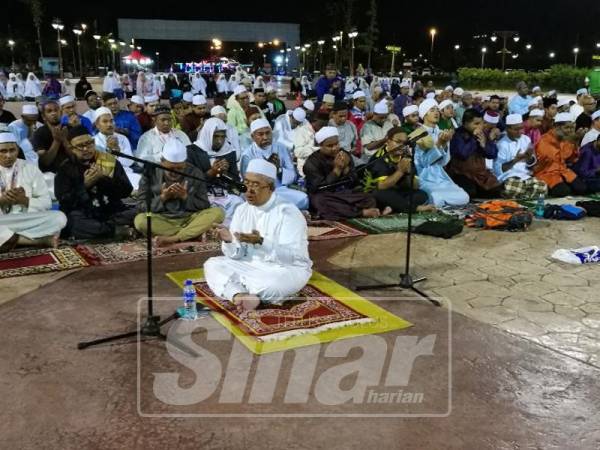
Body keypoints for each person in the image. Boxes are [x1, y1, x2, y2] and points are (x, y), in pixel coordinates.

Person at [204, 159, 312, 311]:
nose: (248, 190)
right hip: (250, 266)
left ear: (270, 187)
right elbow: (236, 255)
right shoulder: (242, 209)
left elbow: (293, 258)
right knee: (212, 265)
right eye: (246, 183)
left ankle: (237, 289)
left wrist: (262, 242)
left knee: (273, 283)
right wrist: (229, 241)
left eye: (255, 184)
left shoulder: (288, 213)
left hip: (283, 269)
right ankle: (240, 296)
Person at [134, 138, 224, 247]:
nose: (175, 173)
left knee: (218, 212)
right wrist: (163, 198)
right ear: (162, 162)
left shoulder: (195, 173)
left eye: (180, 168)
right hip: (163, 220)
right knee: (140, 221)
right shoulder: (150, 174)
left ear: (185, 164)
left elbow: (204, 205)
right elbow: (141, 206)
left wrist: (185, 197)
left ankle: (174, 238)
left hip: (190, 218)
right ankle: (193, 233)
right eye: (171, 168)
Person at [54, 125, 135, 239]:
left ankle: (106, 230)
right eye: (80, 146)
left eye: (89, 143)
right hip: (84, 214)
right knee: (73, 222)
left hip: (111, 211)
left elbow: (126, 191)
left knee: (143, 210)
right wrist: (85, 185)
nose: (86, 149)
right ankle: (114, 230)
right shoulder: (65, 168)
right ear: (72, 149)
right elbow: (65, 202)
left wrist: (103, 179)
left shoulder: (107, 160)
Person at [0, 132, 67, 253]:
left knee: (59, 218)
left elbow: (46, 203)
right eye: (3, 151)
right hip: (2, 220)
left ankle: (9, 240)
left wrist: (24, 200)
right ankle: (36, 241)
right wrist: (2, 200)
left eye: (12, 150)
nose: (8, 155)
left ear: (17, 150)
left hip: (26, 219)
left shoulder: (30, 168)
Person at [303, 126, 379, 220]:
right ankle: (360, 212)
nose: (335, 148)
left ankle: (346, 211)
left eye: (337, 144)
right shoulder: (312, 162)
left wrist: (346, 169)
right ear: (321, 146)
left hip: (345, 194)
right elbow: (319, 188)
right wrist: (337, 170)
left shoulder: (344, 154)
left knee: (369, 198)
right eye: (330, 146)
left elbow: (354, 182)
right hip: (326, 195)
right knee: (319, 201)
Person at [241, 118, 308, 210]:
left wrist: (279, 170)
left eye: (268, 133)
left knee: (303, 198)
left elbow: (293, 175)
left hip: (280, 189)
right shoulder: (247, 154)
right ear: (253, 137)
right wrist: (267, 170)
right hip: (259, 191)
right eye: (260, 134)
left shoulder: (281, 147)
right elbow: (247, 183)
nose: (265, 137)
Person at [187, 117, 244, 223]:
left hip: (224, 194)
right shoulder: (192, 151)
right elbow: (190, 183)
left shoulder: (228, 151)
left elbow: (235, 181)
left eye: (223, 137)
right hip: (202, 196)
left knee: (240, 203)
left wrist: (224, 174)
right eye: (216, 136)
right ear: (207, 134)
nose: (220, 141)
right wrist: (211, 173)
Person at [413, 99, 469, 207]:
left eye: (437, 110)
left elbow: (444, 162)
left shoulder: (441, 133)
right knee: (437, 199)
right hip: (424, 176)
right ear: (424, 114)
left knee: (464, 197)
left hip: (440, 176)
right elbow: (422, 163)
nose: (436, 112)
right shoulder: (418, 134)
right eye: (432, 110)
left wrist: (444, 144)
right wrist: (439, 144)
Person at [362, 127, 431, 213]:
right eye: (398, 142)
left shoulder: (406, 156)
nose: (402, 146)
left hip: (396, 192)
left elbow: (415, 186)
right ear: (388, 141)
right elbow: (382, 186)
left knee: (422, 194)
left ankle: (394, 207)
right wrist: (400, 171)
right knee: (379, 195)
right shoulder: (378, 158)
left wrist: (408, 173)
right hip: (373, 193)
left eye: (405, 143)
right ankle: (415, 208)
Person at [447, 108, 502, 199]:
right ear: (465, 123)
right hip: (461, 174)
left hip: (480, 174)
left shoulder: (483, 133)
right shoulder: (457, 135)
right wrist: (473, 138)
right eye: (476, 124)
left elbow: (493, 154)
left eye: (481, 123)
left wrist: (484, 145)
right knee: (470, 191)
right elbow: (463, 154)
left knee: (497, 190)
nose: (480, 127)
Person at [493, 114, 548, 199]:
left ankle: (522, 194)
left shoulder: (526, 139)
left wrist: (529, 158)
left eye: (521, 128)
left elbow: (531, 164)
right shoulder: (501, 144)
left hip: (524, 175)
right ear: (508, 129)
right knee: (512, 188)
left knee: (543, 187)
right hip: (509, 177)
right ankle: (526, 194)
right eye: (516, 129)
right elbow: (499, 170)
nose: (520, 131)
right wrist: (515, 160)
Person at [534, 112, 586, 197]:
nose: (569, 131)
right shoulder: (544, 140)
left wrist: (575, 142)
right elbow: (547, 160)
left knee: (582, 188)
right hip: (547, 173)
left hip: (563, 171)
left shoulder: (566, 139)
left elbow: (571, 159)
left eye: (571, 128)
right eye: (567, 128)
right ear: (556, 127)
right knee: (563, 191)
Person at [92, 107, 141, 190]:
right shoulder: (94, 142)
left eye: (111, 121)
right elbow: (101, 168)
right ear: (97, 125)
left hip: (126, 173)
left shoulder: (122, 138)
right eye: (105, 121)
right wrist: (110, 152)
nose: (109, 124)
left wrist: (118, 151)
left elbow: (129, 162)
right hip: (106, 177)